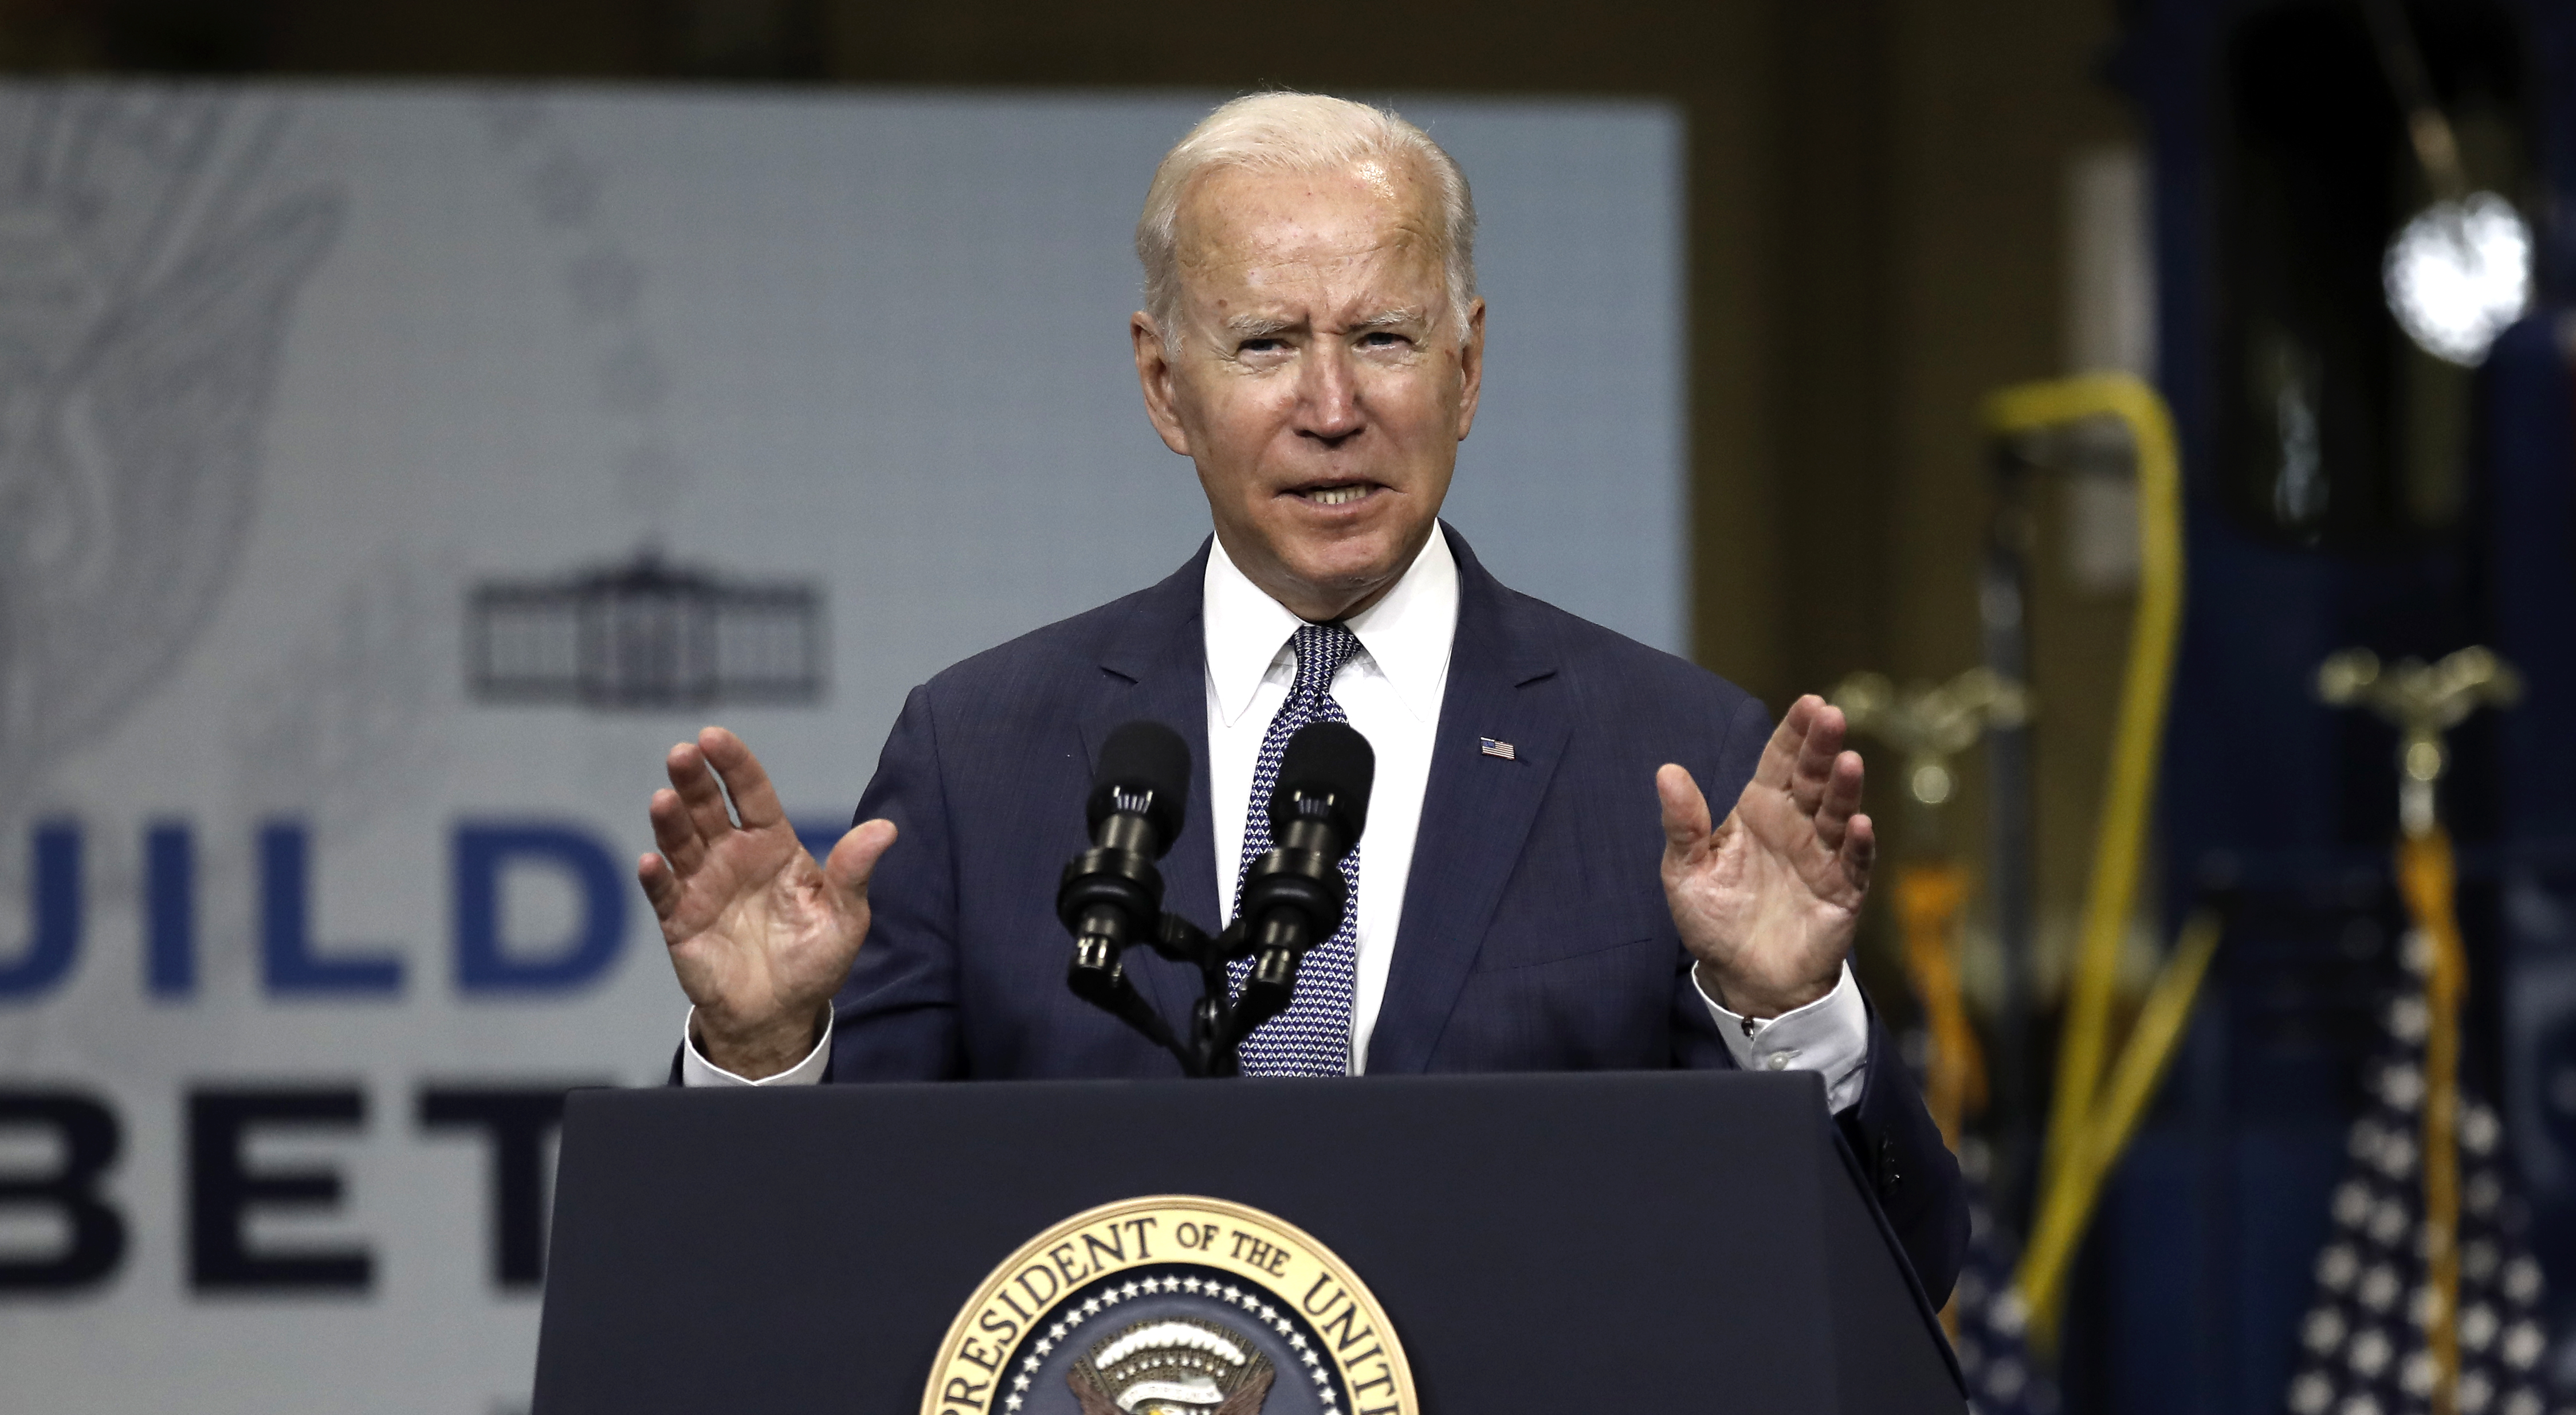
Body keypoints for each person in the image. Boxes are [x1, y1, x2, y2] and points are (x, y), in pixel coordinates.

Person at [635, 92, 1964, 1303]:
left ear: (1468, 365)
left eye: (1382, 336)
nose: (1332, 407)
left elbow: (1897, 1266)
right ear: (1165, 384)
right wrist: (762, 1050)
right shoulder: (982, 755)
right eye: (1267, 343)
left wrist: (1790, 1023)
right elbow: (797, 1267)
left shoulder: (1670, 758)